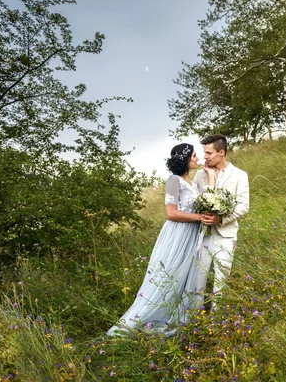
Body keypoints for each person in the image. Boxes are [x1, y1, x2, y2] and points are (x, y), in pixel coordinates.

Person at [107, 143, 214, 336]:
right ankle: (141, 320)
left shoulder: (195, 184)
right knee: (170, 274)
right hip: (177, 233)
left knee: (186, 274)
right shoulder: (174, 181)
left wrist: (211, 176)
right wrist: (199, 218)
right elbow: (171, 213)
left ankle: (182, 317)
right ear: (185, 159)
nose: (197, 159)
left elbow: (209, 201)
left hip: (192, 235)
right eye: (194, 156)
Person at [194, 134, 250, 306]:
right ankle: (195, 319)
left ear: (222, 152)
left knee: (220, 282)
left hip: (226, 235)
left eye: (209, 153)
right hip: (202, 236)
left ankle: (216, 322)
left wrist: (220, 219)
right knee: (198, 281)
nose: (205, 157)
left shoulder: (239, 175)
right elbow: (194, 202)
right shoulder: (200, 176)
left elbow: (243, 205)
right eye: (204, 153)